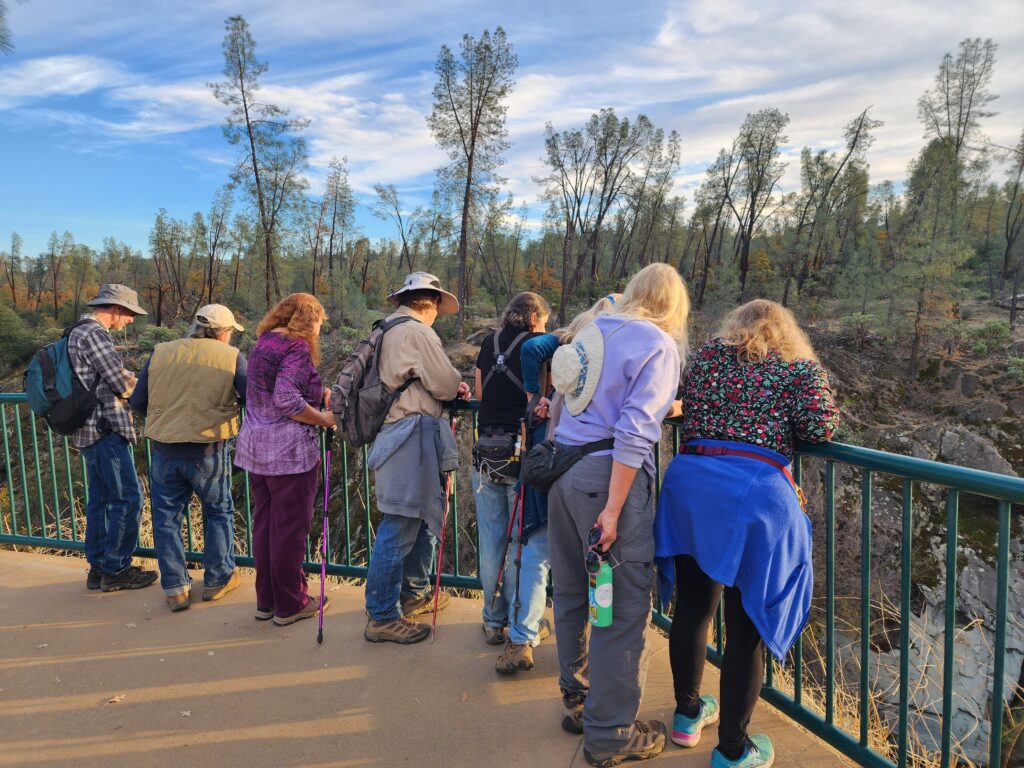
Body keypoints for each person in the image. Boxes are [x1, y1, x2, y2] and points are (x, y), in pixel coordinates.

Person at [655, 299, 840, 768]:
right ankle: (733, 750)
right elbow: (821, 424)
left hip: (692, 486)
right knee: (747, 627)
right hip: (756, 498)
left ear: (733, 325)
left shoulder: (706, 359)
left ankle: (687, 715)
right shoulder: (796, 368)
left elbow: (683, 404)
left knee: (695, 607)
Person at [546, 263, 689, 767]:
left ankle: (579, 699)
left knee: (570, 591)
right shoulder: (658, 344)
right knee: (622, 607)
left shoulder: (594, 329)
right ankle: (609, 734)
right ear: (674, 304)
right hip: (608, 484)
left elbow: (565, 404)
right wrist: (612, 509)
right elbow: (633, 431)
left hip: (563, 473)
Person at [363, 272, 471, 645]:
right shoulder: (417, 332)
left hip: (395, 432)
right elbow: (443, 382)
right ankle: (382, 615)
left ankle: (413, 593)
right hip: (411, 435)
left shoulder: (388, 328)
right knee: (400, 525)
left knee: (415, 519)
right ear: (433, 303)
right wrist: (455, 381)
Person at [129, 304, 247, 612]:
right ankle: (217, 580)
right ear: (223, 332)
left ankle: (175, 588)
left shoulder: (161, 352)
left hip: (164, 448)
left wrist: (167, 420)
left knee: (167, 519)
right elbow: (252, 398)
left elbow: (138, 400)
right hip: (208, 448)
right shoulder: (231, 357)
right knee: (218, 512)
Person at [234, 293, 335, 626]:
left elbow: (270, 387)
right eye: (319, 320)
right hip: (288, 454)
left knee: (265, 525)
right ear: (308, 319)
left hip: (255, 448)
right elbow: (287, 399)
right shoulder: (297, 347)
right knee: (290, 530)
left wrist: (318, 393)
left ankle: (267, 601)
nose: (320, 327)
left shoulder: (265, 342)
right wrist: (324, 418)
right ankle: (291, 604)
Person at [472, 291, 551, 673]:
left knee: (491, 540)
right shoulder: (537, 346)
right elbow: (541, 396)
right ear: (536, 317)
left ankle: (492, 619)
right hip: (522, 454)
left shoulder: (489, 342)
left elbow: (481, 393)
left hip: (485, 449)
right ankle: (524, 625)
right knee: (526, 543)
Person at [70, 284, 156, 592]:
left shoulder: (76, 330)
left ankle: (98, 568)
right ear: (116, 309)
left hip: (88, 430)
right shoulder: (95, 333)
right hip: (105, 428)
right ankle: (117, 569)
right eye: (130, 314)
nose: (131, 320)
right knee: (128, 498)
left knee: (102, 500)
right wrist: (148, 389)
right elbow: (119, 380)